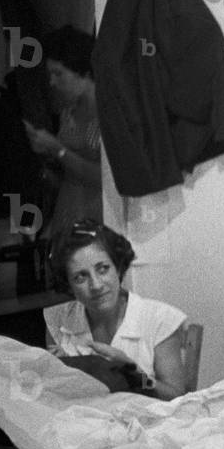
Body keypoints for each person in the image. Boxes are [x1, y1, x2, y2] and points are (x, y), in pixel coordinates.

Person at [44, 219, 187, 400]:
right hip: (86, 422)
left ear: (118, 268)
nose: (96, 285)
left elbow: (175, 397)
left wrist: (133, 373)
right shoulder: (58, 320)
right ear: (68, 285)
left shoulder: (160, 319)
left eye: (103, 269)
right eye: (80, 277)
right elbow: (56, 395)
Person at [23, 25, 102, 241]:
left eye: (59, 74)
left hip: (97, 222)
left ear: (84, 72)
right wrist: (46, 156)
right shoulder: (68, 114)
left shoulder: (109, 116)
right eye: (50, 74)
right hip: (66, 217)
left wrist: (57, 149)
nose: (52, 82)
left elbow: (105, 179)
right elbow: (66, 177)